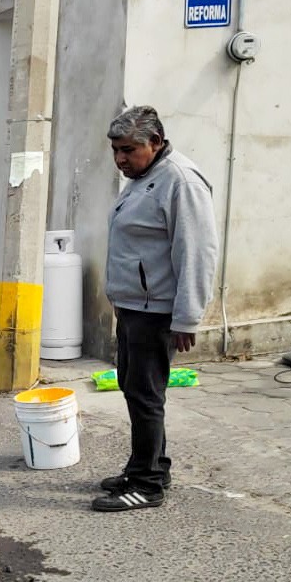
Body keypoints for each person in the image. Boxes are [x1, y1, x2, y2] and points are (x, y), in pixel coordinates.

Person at [94, 106, 219, 513]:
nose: (120, 159)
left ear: (157, 143)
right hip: (134, 307)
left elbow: (197, 253)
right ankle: (149, 467)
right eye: (116, 150)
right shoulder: (144, 177)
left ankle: (148, 486)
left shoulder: (180, 181)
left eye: (128, 150)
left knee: (147, 395)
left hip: (156, 312)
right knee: (134, 387)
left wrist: (186, 317)